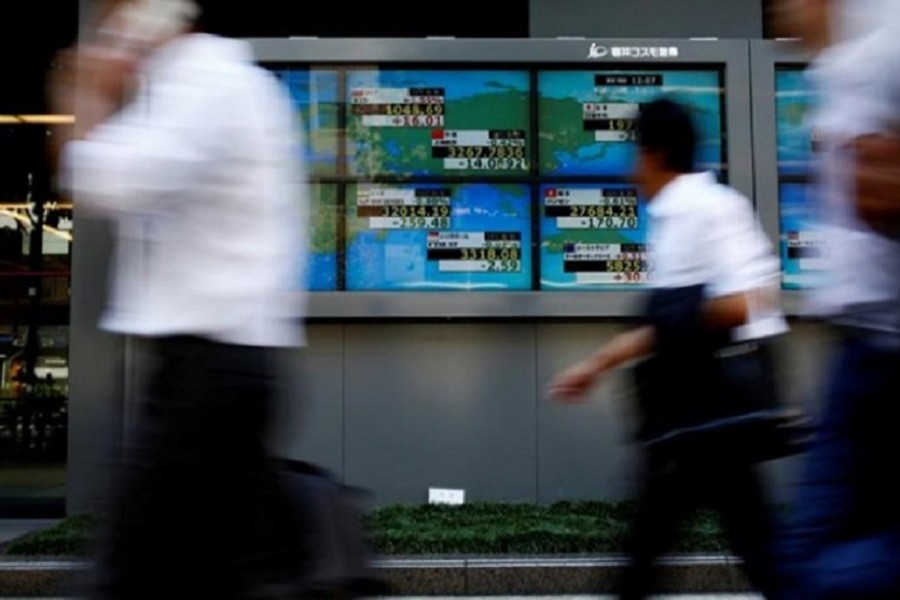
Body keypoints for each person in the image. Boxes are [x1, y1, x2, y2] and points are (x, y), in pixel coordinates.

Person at [49, 0, 311, 597]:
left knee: (130, 575)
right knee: (221, 574)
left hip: (207, 375)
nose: (108, 36)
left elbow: (100, 178)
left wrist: (85, 90)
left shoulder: (203, 85)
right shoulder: (217, 87)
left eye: (116, 21)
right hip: (222, 371)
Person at [547, 98, 789, 600]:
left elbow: (749, 299)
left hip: (705, 415)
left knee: (652, 555)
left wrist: (679, 318)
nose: (631, 169)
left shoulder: (711, 208)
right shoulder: (675, 216)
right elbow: (665, 327)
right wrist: (596, 365)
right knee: (752, 548)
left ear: (654, 154)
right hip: (691, 421)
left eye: (635, 153)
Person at [768, 1, 900, 597]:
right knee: (807, 563)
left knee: (813, 571)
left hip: (887, 356)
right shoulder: (838, 66)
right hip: (860, 350)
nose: (778, 11)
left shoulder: (889, 49)